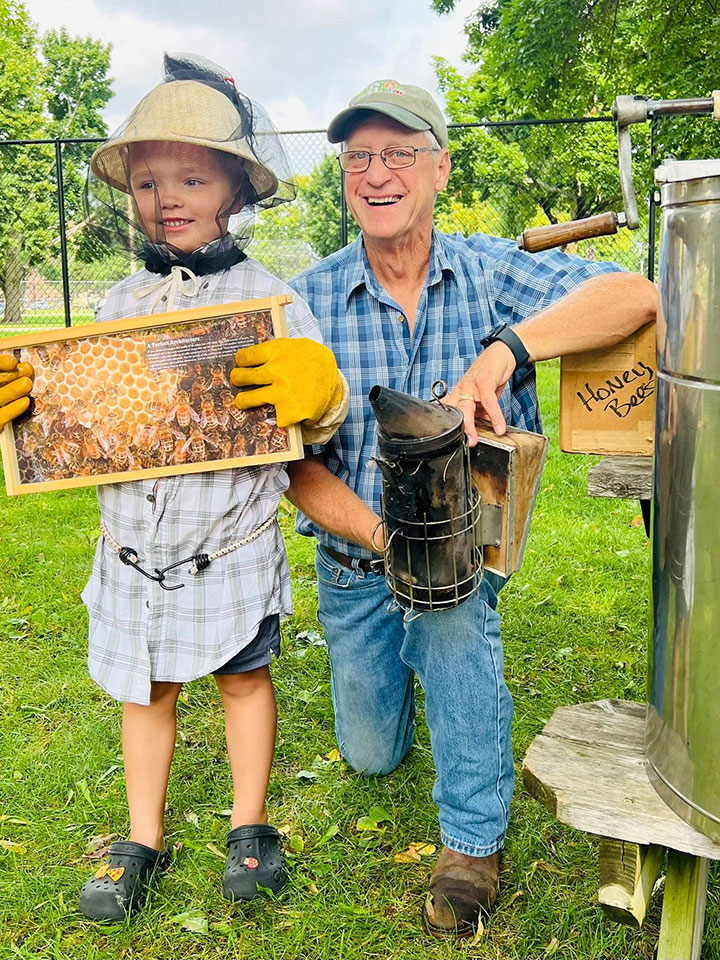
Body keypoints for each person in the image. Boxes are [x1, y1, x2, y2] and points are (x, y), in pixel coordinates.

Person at [286, 79, 657, 939]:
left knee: (455, 636)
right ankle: (392, 687)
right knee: (372, 753)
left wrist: (505, 352)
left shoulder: (489, 270)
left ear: (440, 168)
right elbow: (295, 473)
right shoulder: (308, 299)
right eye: (359, 158)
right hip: (356, 562)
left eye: (399, 154)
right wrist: (392, 538)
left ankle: (472, 842)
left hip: (467, 554)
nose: (377, 174)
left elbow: (635, 295)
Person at [0, 53, 348, 921]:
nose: (170, 196)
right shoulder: (114, 306)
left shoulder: (270, 298)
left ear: (234, 188)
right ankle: (140, 837)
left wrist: (324, 393)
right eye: (150, 180)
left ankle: (249, 826)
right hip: (133, 548)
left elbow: (315, 417)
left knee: (243, 680)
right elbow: (71, 420)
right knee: (144, 691)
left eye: (193, 175)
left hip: (226, 547)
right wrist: (27, 415)